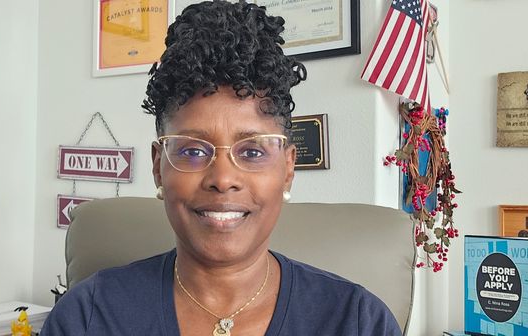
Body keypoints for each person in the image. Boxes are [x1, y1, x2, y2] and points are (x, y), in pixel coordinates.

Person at [40, 1, 401, 335]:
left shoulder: (357, 321)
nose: (223, 178)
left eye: (253, 152)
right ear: (158, 167)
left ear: (288, 169)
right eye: (193, 151)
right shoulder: (86, 318)